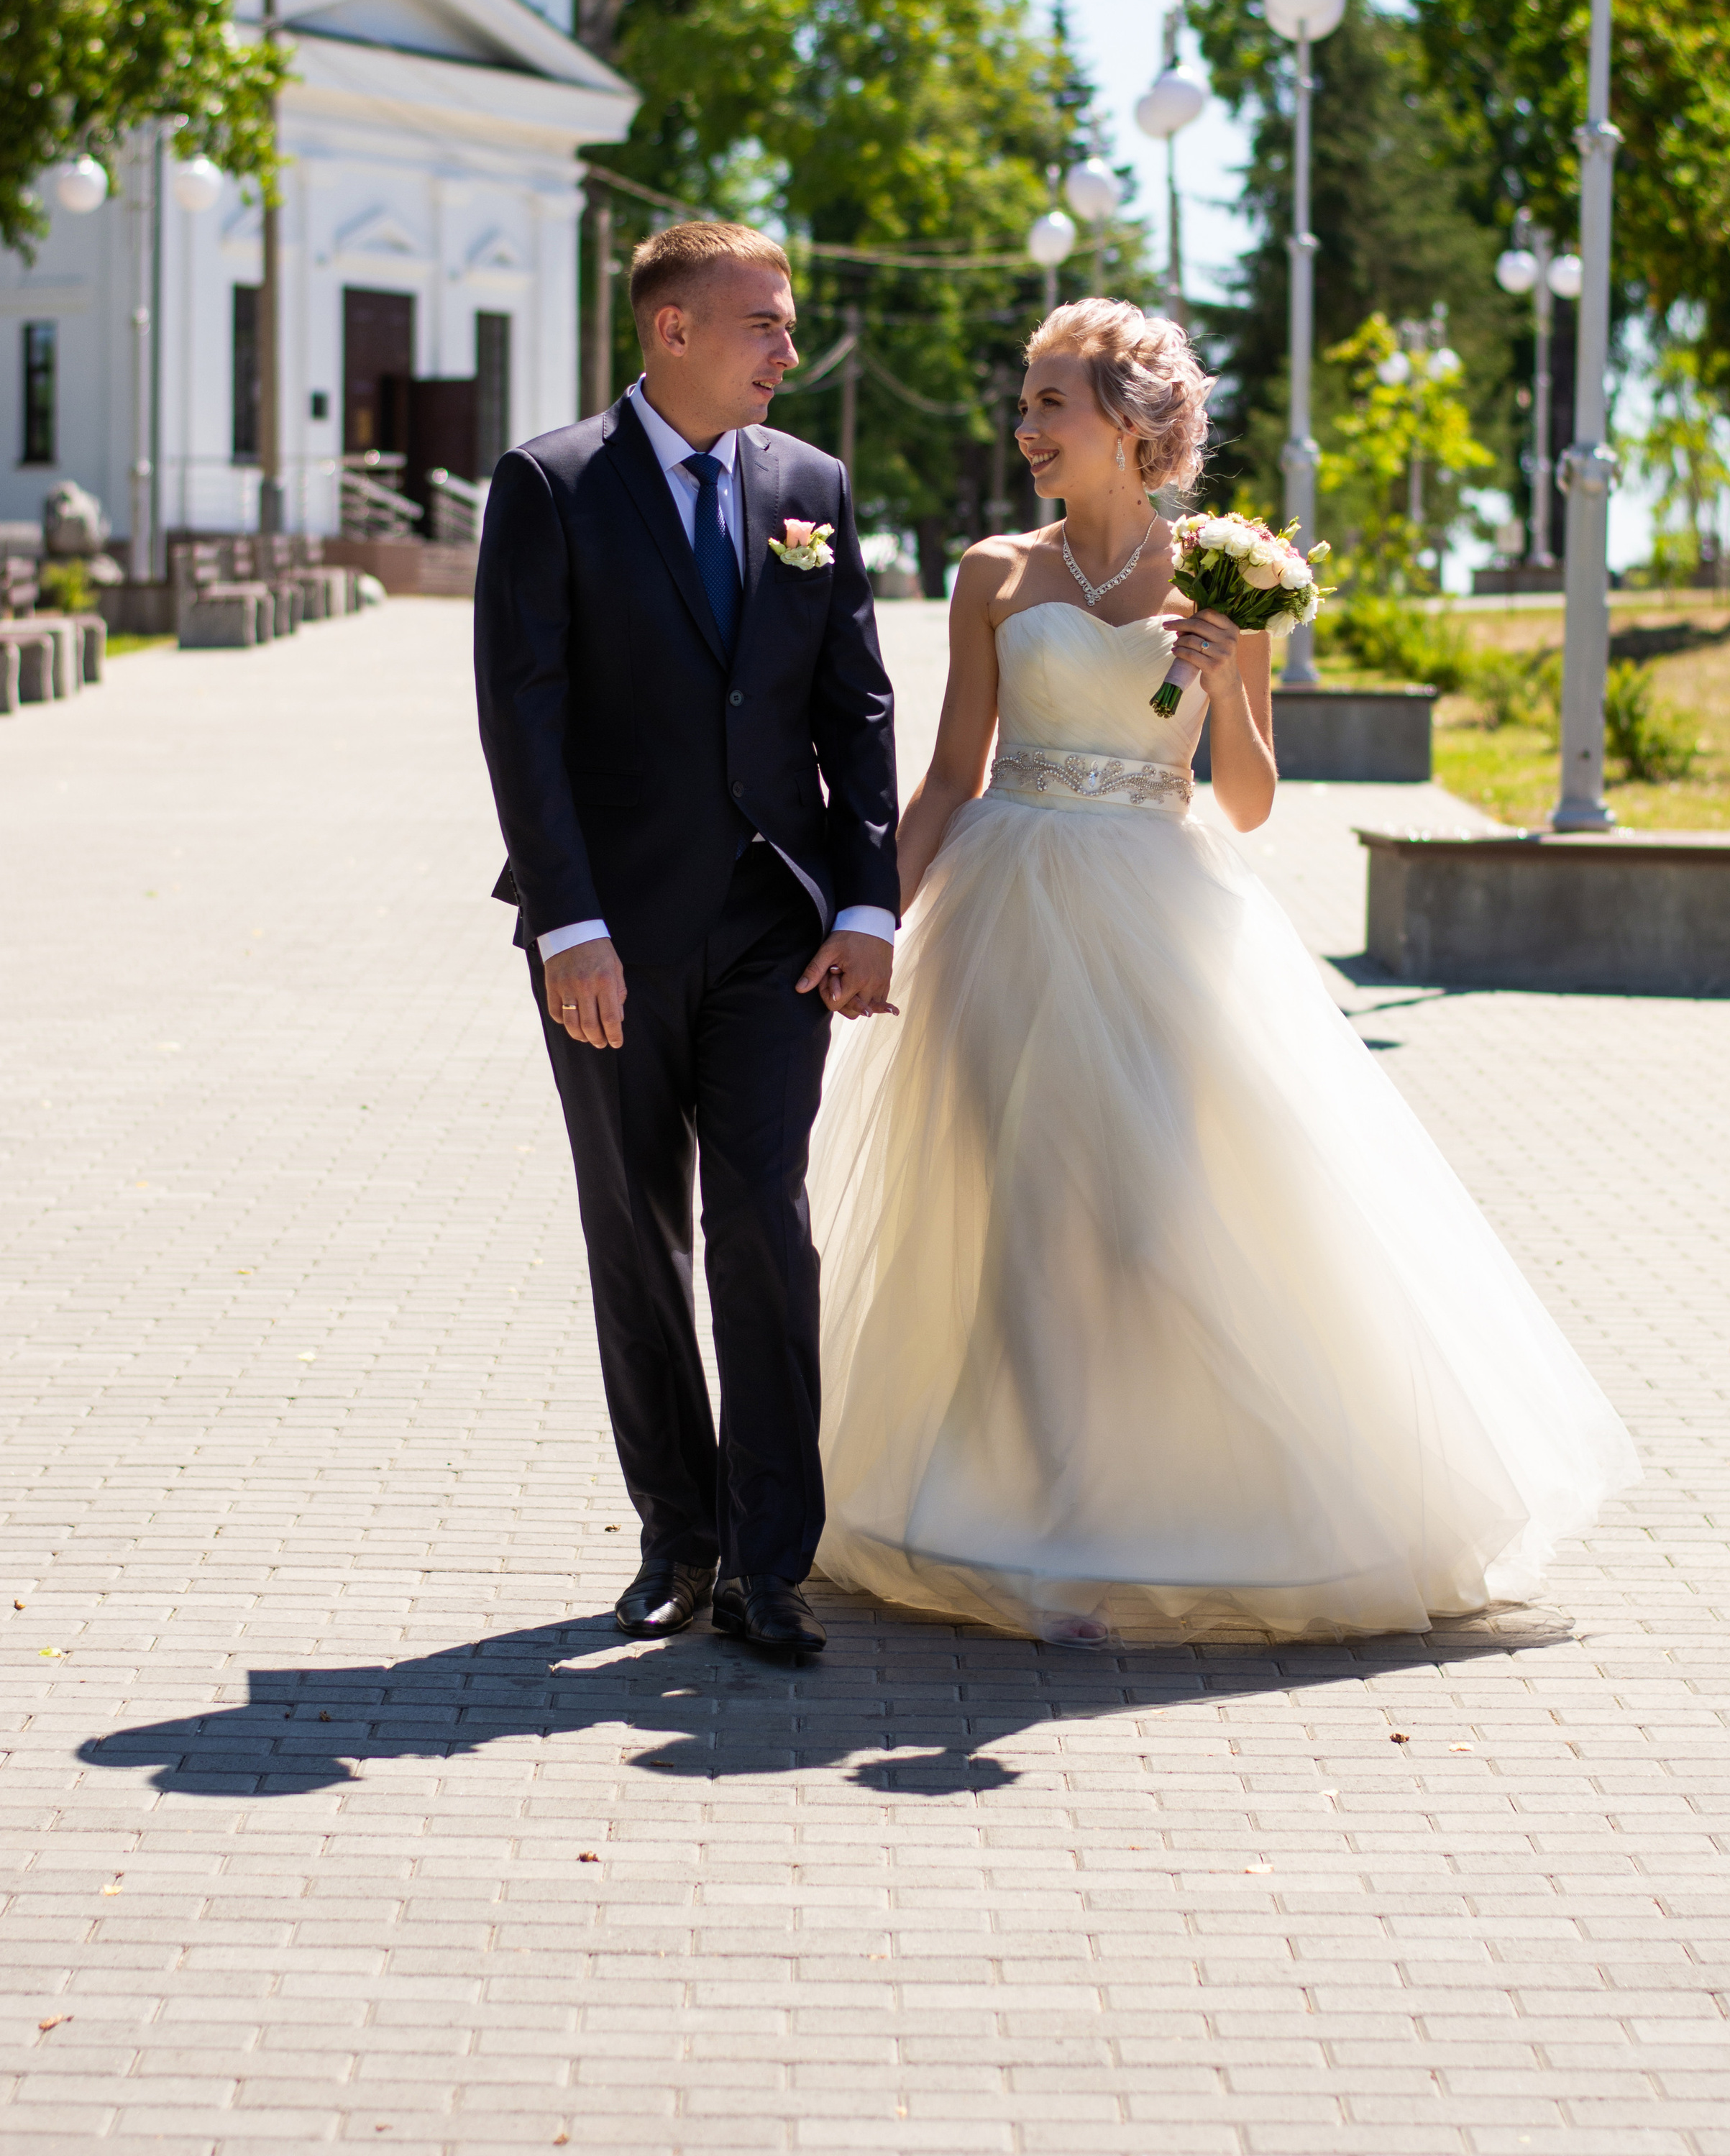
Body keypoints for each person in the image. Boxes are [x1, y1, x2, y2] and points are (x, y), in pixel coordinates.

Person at [809, 296, 1639, 1645]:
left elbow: (1247, 801)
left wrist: (1227, 682)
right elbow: (952, 775)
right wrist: (873, 921)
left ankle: (1167, 1494)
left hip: (1161, 918)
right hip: (1004, 913)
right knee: (1016, 1217)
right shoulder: (992, 574)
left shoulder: (1228, 574)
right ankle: (1052, 1516)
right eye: (1024, 403)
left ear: (1131, 429)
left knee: (1145, 1227)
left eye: (1050, 405)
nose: (1026, 428)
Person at [474, 222, 900, 1658]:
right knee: (637, 1233)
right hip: (610, 935)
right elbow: (520, 717)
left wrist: (863, 903)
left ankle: (773, 1560)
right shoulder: (550, 485)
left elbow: (857, 710)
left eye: (785, 324)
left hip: (777, 930)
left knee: (763, 1229)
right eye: (762, 324)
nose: (788, 347)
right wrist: (568, 926)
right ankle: (681, 1536)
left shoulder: (811, 488)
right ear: (670, 331)